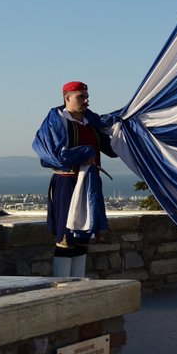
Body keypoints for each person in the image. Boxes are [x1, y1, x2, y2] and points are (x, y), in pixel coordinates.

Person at [32, 82, 116, 278]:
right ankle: (63, 286)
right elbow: (53, 154)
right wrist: (83, 154)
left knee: (82, 237)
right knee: (66, 236)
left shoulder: (92, 123)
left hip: (89, 184)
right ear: (67, 98)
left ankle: (79, 285)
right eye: (81, 96)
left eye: (87, 96)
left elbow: (111, 148)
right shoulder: (56, 122)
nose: (86, 100)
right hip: (67, 184)